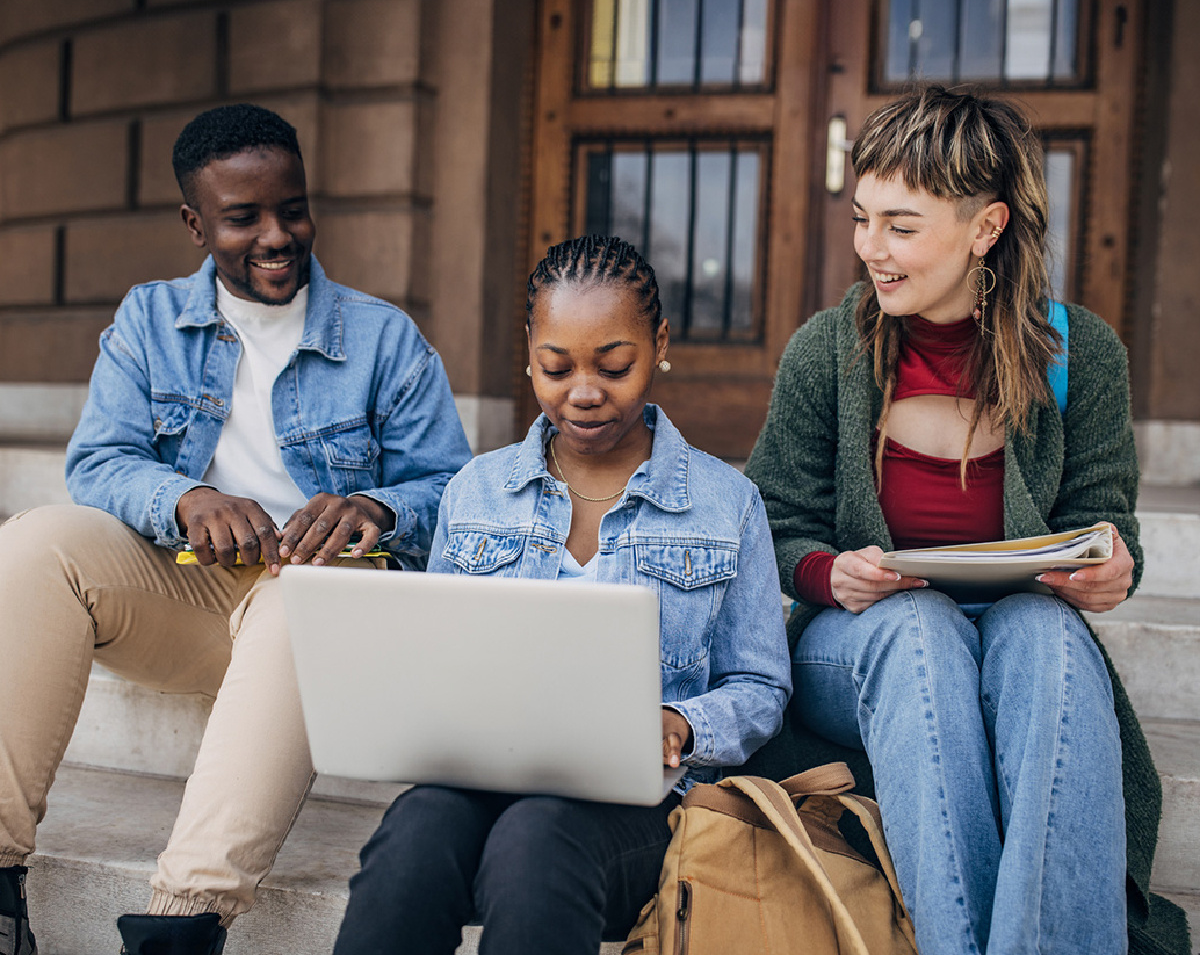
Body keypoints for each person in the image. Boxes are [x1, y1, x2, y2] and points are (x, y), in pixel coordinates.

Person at [0, 104, 472, 955]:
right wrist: (184, 498)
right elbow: (99, 463)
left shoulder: (381, 339)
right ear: (194, 224)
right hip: (190, 597)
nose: (277, 235)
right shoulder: (148, 322)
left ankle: (181, 925)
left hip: (326, 618)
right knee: (34, 540)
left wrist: (378, 509)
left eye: (291, 208)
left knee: (299, 595)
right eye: (243, 217)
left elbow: (459, 494)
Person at [744, 85, 1189, 955]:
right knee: (919, 624)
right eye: (863, 218)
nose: (872, 248)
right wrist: (827, 572)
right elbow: (770, 519)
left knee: (1049, 637)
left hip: (1016, 630)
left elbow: (1104, 516)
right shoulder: (826, 353)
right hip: (862, 641)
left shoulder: (1080, 353)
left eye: (902, 226)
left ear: (987, 228)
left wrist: (1111, 565)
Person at [331, 235, 792, 955]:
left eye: (614, 366)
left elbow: (761, 685)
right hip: (484, 778)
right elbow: (437, 661)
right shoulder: (475, 491)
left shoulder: (725, 504)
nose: (583, 392)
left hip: (642, 806)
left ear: (660, 343)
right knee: (414, 833)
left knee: (537, 836)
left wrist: (681, 722)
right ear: (529, 351)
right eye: (556, 366)